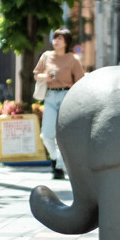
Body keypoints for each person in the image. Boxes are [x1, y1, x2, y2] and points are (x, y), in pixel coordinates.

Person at [33, 28, 84, 179]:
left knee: (63, 133)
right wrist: (45, 77)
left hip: (67, 96)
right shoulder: (46, 56)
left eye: (60, 39)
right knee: (47, 133)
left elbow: (80, 81)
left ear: (66, 42)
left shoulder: (73, 59)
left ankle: (59, 166)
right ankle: (55, 158)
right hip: (50, 96)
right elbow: (36, 74)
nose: (56, 41)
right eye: (55, 38)